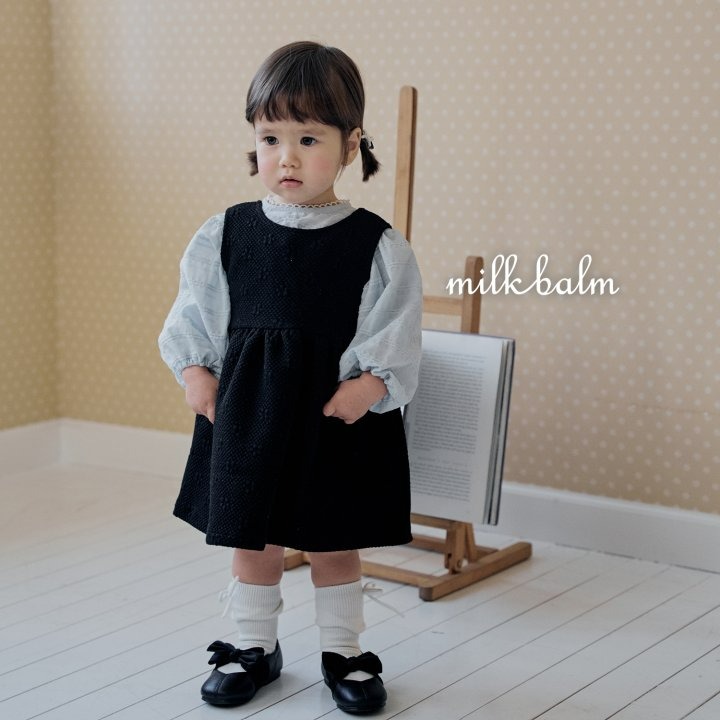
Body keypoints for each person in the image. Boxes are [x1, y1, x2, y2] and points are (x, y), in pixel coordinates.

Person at [158, 40, 422, 714]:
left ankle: (344, 650)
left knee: (334, 540)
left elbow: (394, 328)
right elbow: (194, 313)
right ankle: (254, 645)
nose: (288, 157)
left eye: (309, 138)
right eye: (271, 138)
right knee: (254, 537)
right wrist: (195, 371)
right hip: (250, 413)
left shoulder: (375, 244)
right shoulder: (226, 233)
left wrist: (370, 386)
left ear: (350, 144)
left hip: (335, 415)